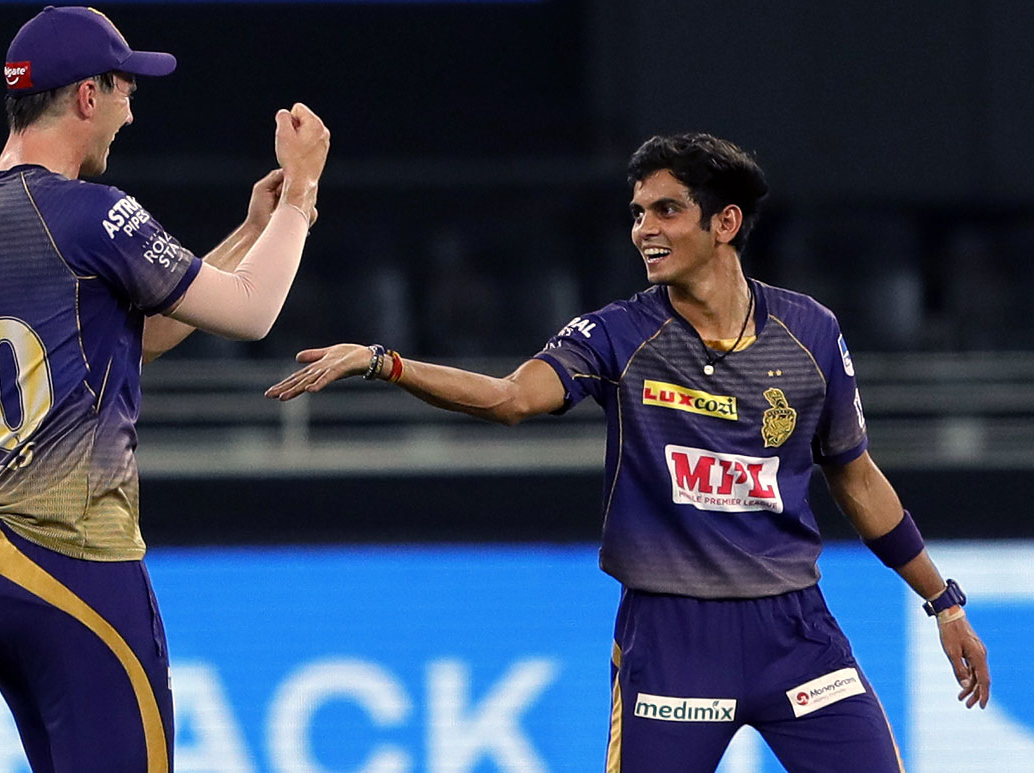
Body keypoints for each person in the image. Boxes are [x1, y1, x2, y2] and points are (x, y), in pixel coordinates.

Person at [266, 133, 989, 772]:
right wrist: (386, 362)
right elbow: (510, 397)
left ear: (725, 222)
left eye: (666, 210)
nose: (644, 228)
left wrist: (942, 600)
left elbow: (856, 476)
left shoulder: (809, 331)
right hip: (672, 636)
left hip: (795, 631)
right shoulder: (616, 335)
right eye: (638, 212)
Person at [0, 6, 328, 771]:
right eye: (124, 88)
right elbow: (252, 312)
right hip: (74, 550)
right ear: (87, 96)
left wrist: (250, 230)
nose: (130, 109)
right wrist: (301, 195)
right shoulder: (88, 212)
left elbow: (127, 335)